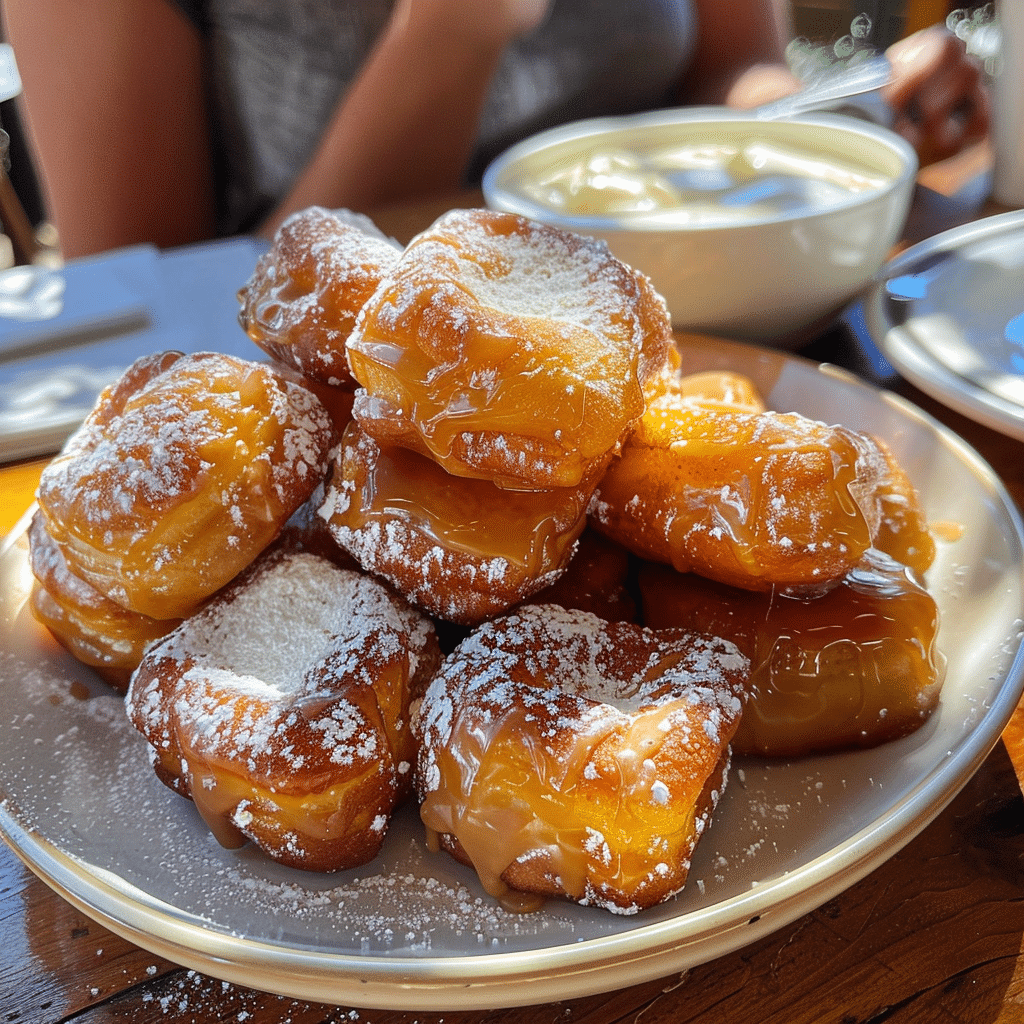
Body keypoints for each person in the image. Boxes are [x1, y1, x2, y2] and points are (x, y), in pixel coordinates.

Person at [0, 0, 989, 260]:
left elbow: (725, 68)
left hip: (710, 316)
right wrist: (457, 26)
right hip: (351, 403)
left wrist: (835, 118)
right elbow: (162, 309)